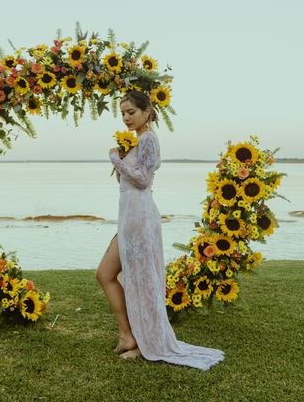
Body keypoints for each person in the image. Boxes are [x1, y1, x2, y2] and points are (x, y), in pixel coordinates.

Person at [96, 90, 225, 370]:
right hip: (127, 218)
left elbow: (143, 179)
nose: (126, 118)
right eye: (123, 114)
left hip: (141, 219)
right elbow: (124, 180)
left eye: (131, 112)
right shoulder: (133, 141)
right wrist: (122, 154)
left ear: (146, 112)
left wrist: (116, 160)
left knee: (142, 282)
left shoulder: (150, 138)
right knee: (105, 273)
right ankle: (127, 335)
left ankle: (145, 345)